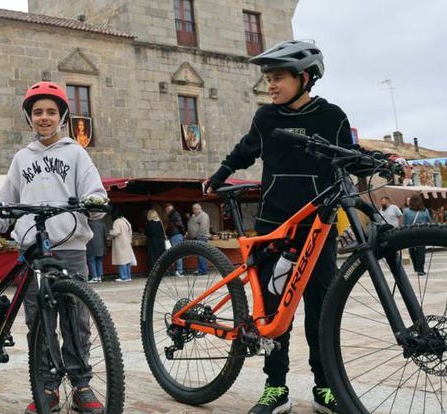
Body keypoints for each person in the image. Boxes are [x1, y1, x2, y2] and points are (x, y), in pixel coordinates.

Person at [204, 40, 385, 414]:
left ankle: (325, 387)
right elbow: (245, 150)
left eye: (278, 78)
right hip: (276, 229)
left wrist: (375, 162)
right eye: (268, 78)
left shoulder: (331, 115)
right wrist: (220, 174)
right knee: (272, 312)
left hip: (318, 228)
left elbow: (348, 156)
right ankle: (275, 388)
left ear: (305, 78)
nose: (270, 85)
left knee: (321, 310)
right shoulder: (265, 118)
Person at [0, 81, 108, 414]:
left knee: (77, 319)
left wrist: (94, 202)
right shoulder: (21, 159)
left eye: (50, 112)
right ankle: (46, 388)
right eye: (37, 112)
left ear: (62, 117)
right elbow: (7, 202)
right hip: (33, 251)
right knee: (39, 323)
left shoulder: (76, 153)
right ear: (29, 118)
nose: (44, 118)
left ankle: (81, 385)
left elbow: (96, 194)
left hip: (70, 248)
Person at [403, 195, 431, 275]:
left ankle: (416, 268)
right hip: (422, 233)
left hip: (410, 233)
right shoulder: (425, 211)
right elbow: (429, 222)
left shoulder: (406, 211)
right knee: (421, 251)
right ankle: (420, 269)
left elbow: (404, 224)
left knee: (412, 250)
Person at [109, 207, 135, 282]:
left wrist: (110, 232)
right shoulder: (125, 220)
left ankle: (123, 277)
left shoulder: (117, 222)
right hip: (127, 242)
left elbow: (116, 232)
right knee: (127, 261)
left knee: (121, 261)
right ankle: (128, 276)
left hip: (120, 243)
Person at [186, 203, 210, 275]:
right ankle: (200, 269)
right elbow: (192, 225)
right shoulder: (195, 216)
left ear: (196, 208)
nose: (193, 211)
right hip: (197, 238)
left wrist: (198, 236)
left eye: (193, 209)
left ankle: (203, 270)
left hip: (201, 238)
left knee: (201, 255)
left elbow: (203, 227)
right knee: (199, 255)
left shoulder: (203, 215)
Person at [164, 203, 186, 276]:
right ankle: (178, 270)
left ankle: (179, 270)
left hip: (176, 235)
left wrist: (183, 233)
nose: (166, 212)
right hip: (175, 235)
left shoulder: (175, 214)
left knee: (177, 253)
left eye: (166, 210)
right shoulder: (173, 215)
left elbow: (179, 224)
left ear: (168, 208)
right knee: (177, 253)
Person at [86, 217, 108, 283]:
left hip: (91, 245)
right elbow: (105, 235)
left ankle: (94, 277)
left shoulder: (88, 224)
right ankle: (99, 277)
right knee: (99, 261)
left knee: (91, 261)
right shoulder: (102, 223)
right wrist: (105, 246)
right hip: (101, 245)